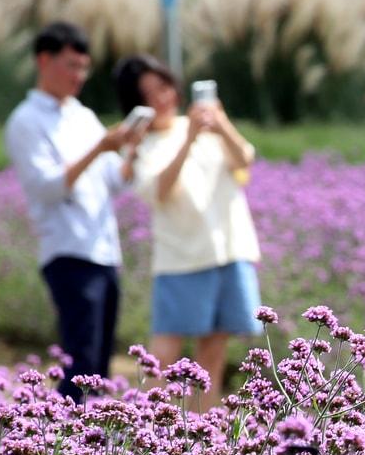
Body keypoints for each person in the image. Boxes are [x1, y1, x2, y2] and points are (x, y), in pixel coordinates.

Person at [112, 54, 262, 411]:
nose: (161, 99)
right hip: (181, 257)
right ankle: (151, 429)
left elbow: (244, 160)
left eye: (163, 87)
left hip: (228, 247)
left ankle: (202, 431)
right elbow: (159, 190)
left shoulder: (201, 123)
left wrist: (221, 123)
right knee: (162, 358)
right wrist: (189, 139)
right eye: (148, 94)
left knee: (213, 351)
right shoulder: (138, 144)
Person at [5, 21, 143, 402]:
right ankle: (62, 442)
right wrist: (100, 147)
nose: (78, 76)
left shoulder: (82, 115)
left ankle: (88, 447)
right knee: (80, 361)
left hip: (103, 249)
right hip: (67, 250)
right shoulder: (25, 121)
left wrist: (131, 147)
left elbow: (115, 181)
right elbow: (46, 187)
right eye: (71, 66)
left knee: (99, 364)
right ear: (43, 61)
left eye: (84, 68)